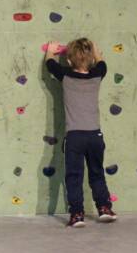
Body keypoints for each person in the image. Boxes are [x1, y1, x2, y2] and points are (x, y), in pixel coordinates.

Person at [44, 38, 117, 227]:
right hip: (95, 136)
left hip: (75, 137)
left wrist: (51, 50)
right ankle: (104, 208)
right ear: (91, 59)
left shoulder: (66, 76)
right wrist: (94, 48)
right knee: (97, 173)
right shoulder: (97, 75)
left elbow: (50, 64)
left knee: (74, 177)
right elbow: (102, 63)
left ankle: (77, 214)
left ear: (69, 61)